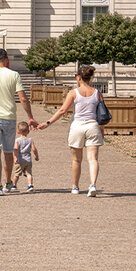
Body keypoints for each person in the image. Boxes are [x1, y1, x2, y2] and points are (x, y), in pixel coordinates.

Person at [0, 48, 38, 195]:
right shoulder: (14, 75)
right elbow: (22, 98)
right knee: (8, 151)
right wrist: (30, 116)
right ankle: (8, 182)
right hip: (9, 116)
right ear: (7, 59)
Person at [38, 65, 105, 197]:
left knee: (76, 160)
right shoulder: (97, 93)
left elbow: (63, 111)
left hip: (77, 126)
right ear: (90, 77)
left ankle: (75, 186)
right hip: (92, 125)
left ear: (78, 77)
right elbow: (101, 114)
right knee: (93, 159)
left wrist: (48, 123)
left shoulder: (73, 93)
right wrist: (102, 129)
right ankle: (92, 185)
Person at [12, 121, 39, 192]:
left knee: (17, 174)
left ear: (18, 132)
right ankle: (30, 185)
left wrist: (15, 157)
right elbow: (34, 149)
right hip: (28, 160)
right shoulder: (30, 140)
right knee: (29, 174)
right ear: (28, 131)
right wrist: (36, 156)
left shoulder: (17, 140)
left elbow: (16, 149)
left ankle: (14, 185)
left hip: (20, 160)